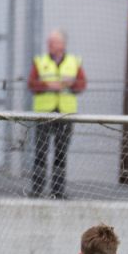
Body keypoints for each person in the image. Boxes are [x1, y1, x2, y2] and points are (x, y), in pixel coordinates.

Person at [28, 29, 87, 199]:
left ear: (62, 44)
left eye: (53, 42)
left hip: (65, 114)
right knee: (41, 151)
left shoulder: (74, 62)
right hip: (44, 114)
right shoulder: (40, 61)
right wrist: (47, 85)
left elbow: (81, 85)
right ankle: (37, 190)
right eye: (49, 42)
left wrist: (71, 84)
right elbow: (32, 84)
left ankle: (58, 191)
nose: (49, 45)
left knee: (61, 153)